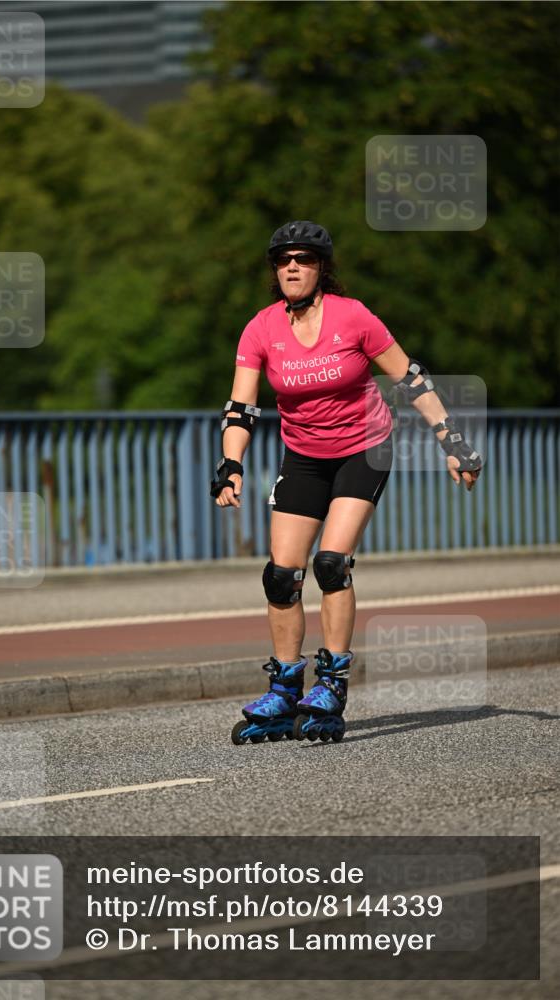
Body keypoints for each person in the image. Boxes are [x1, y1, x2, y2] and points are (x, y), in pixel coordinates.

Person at [210, 221, 482, 745]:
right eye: (283, 259)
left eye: (304, 259)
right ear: (274, 270)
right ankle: (285, 687)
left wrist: (451, 442)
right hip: (305, 456)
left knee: (330, 565)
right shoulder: (261, 329)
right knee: (279, 576)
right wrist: (231, 464)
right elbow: (241, 407)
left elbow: (411, 378)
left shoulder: (353, 316)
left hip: (364, 450)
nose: (292, 267)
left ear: (321, 268)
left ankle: (331, 683)